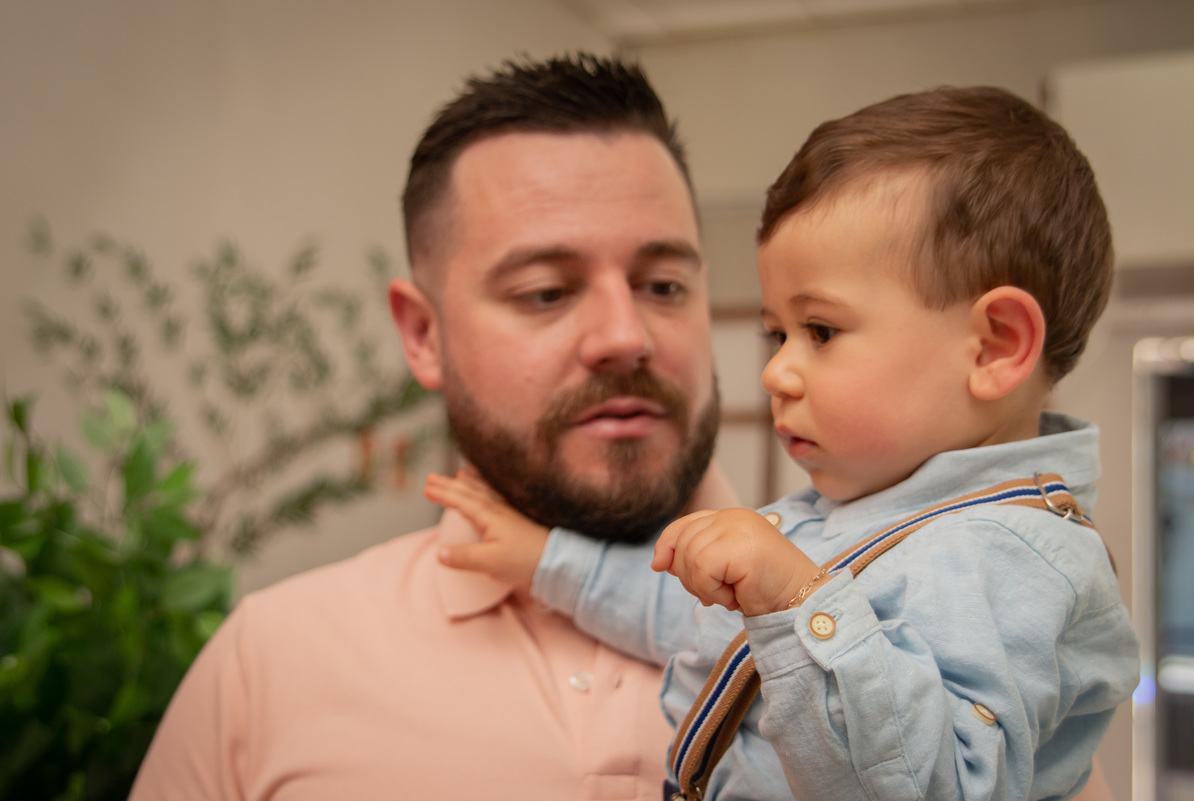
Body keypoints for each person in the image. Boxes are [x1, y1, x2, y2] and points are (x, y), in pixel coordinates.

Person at [426, 86, 1140, 800]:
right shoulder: (861, 513)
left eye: (821, 331)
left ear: (994, 347)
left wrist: (795, 603)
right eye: (778, 333)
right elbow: (690, 619)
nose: (775, 373)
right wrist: (547, 560)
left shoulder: (1012, 559)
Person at [129, 54, 737, 801]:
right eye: (546, 292)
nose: (625, 335)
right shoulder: (268, 663)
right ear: (422, 334)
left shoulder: (854, 628)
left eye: (664, 285)